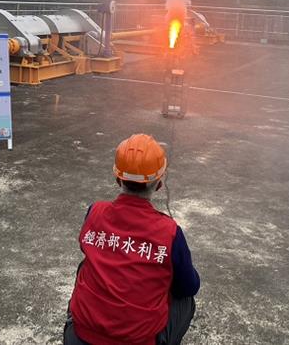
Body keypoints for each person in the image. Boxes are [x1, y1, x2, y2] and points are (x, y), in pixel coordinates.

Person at [63, 133, 200, 345]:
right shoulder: (169, 232)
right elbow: (188, 287)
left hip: (79, 337)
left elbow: (86, 245)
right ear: (159, 184)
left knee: (86, 265)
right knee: (185, 301)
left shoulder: (95, 212)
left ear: (118, 178)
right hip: (138, 341)